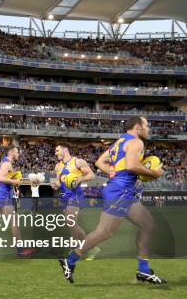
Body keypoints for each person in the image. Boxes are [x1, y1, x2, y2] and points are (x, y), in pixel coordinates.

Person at [58, 116, 166, 284]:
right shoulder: (137, 142)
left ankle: (143, 270)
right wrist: (154, 173)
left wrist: (114, 173)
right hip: (120, 192)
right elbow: (131, 166)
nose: (148, 128)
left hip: (123, 191)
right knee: (104, 232)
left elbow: (99, 162)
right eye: (146, 125)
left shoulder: (120, 141)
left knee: (148, 224)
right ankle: (69, 260)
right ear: (137, 127)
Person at [50, 143, 98, 259]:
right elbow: (59, 182)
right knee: (71, 225)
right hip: (64, 197)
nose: (55, 153)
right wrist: (55, 185)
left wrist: (80, 178)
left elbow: (92, 175)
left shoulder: (78, 162)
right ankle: (90, 248)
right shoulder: (58, 166)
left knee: (71, 222)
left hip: (76, 196)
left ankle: (76, 250)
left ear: (65, 149)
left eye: (57, 150)